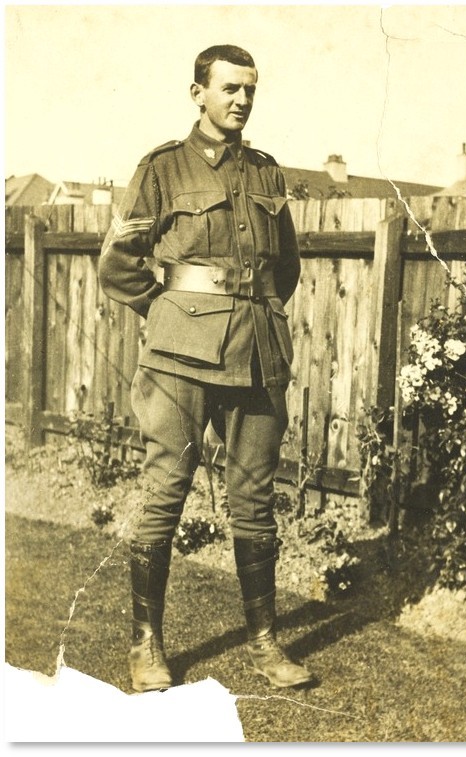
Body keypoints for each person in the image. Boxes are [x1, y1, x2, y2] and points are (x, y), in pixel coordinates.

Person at [98, 44, 314, 693]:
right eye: (229, 88)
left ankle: (267, 643)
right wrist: (168, 312)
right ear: (198, 93)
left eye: (250, 89)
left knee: (255, 503)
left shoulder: (269, 173)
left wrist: (259, 316)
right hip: (178, 358)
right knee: (165, 494)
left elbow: (288, 267)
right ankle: (146, 645)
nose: (242, 100)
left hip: (257, 355)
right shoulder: (162, 167)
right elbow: (117, 262)